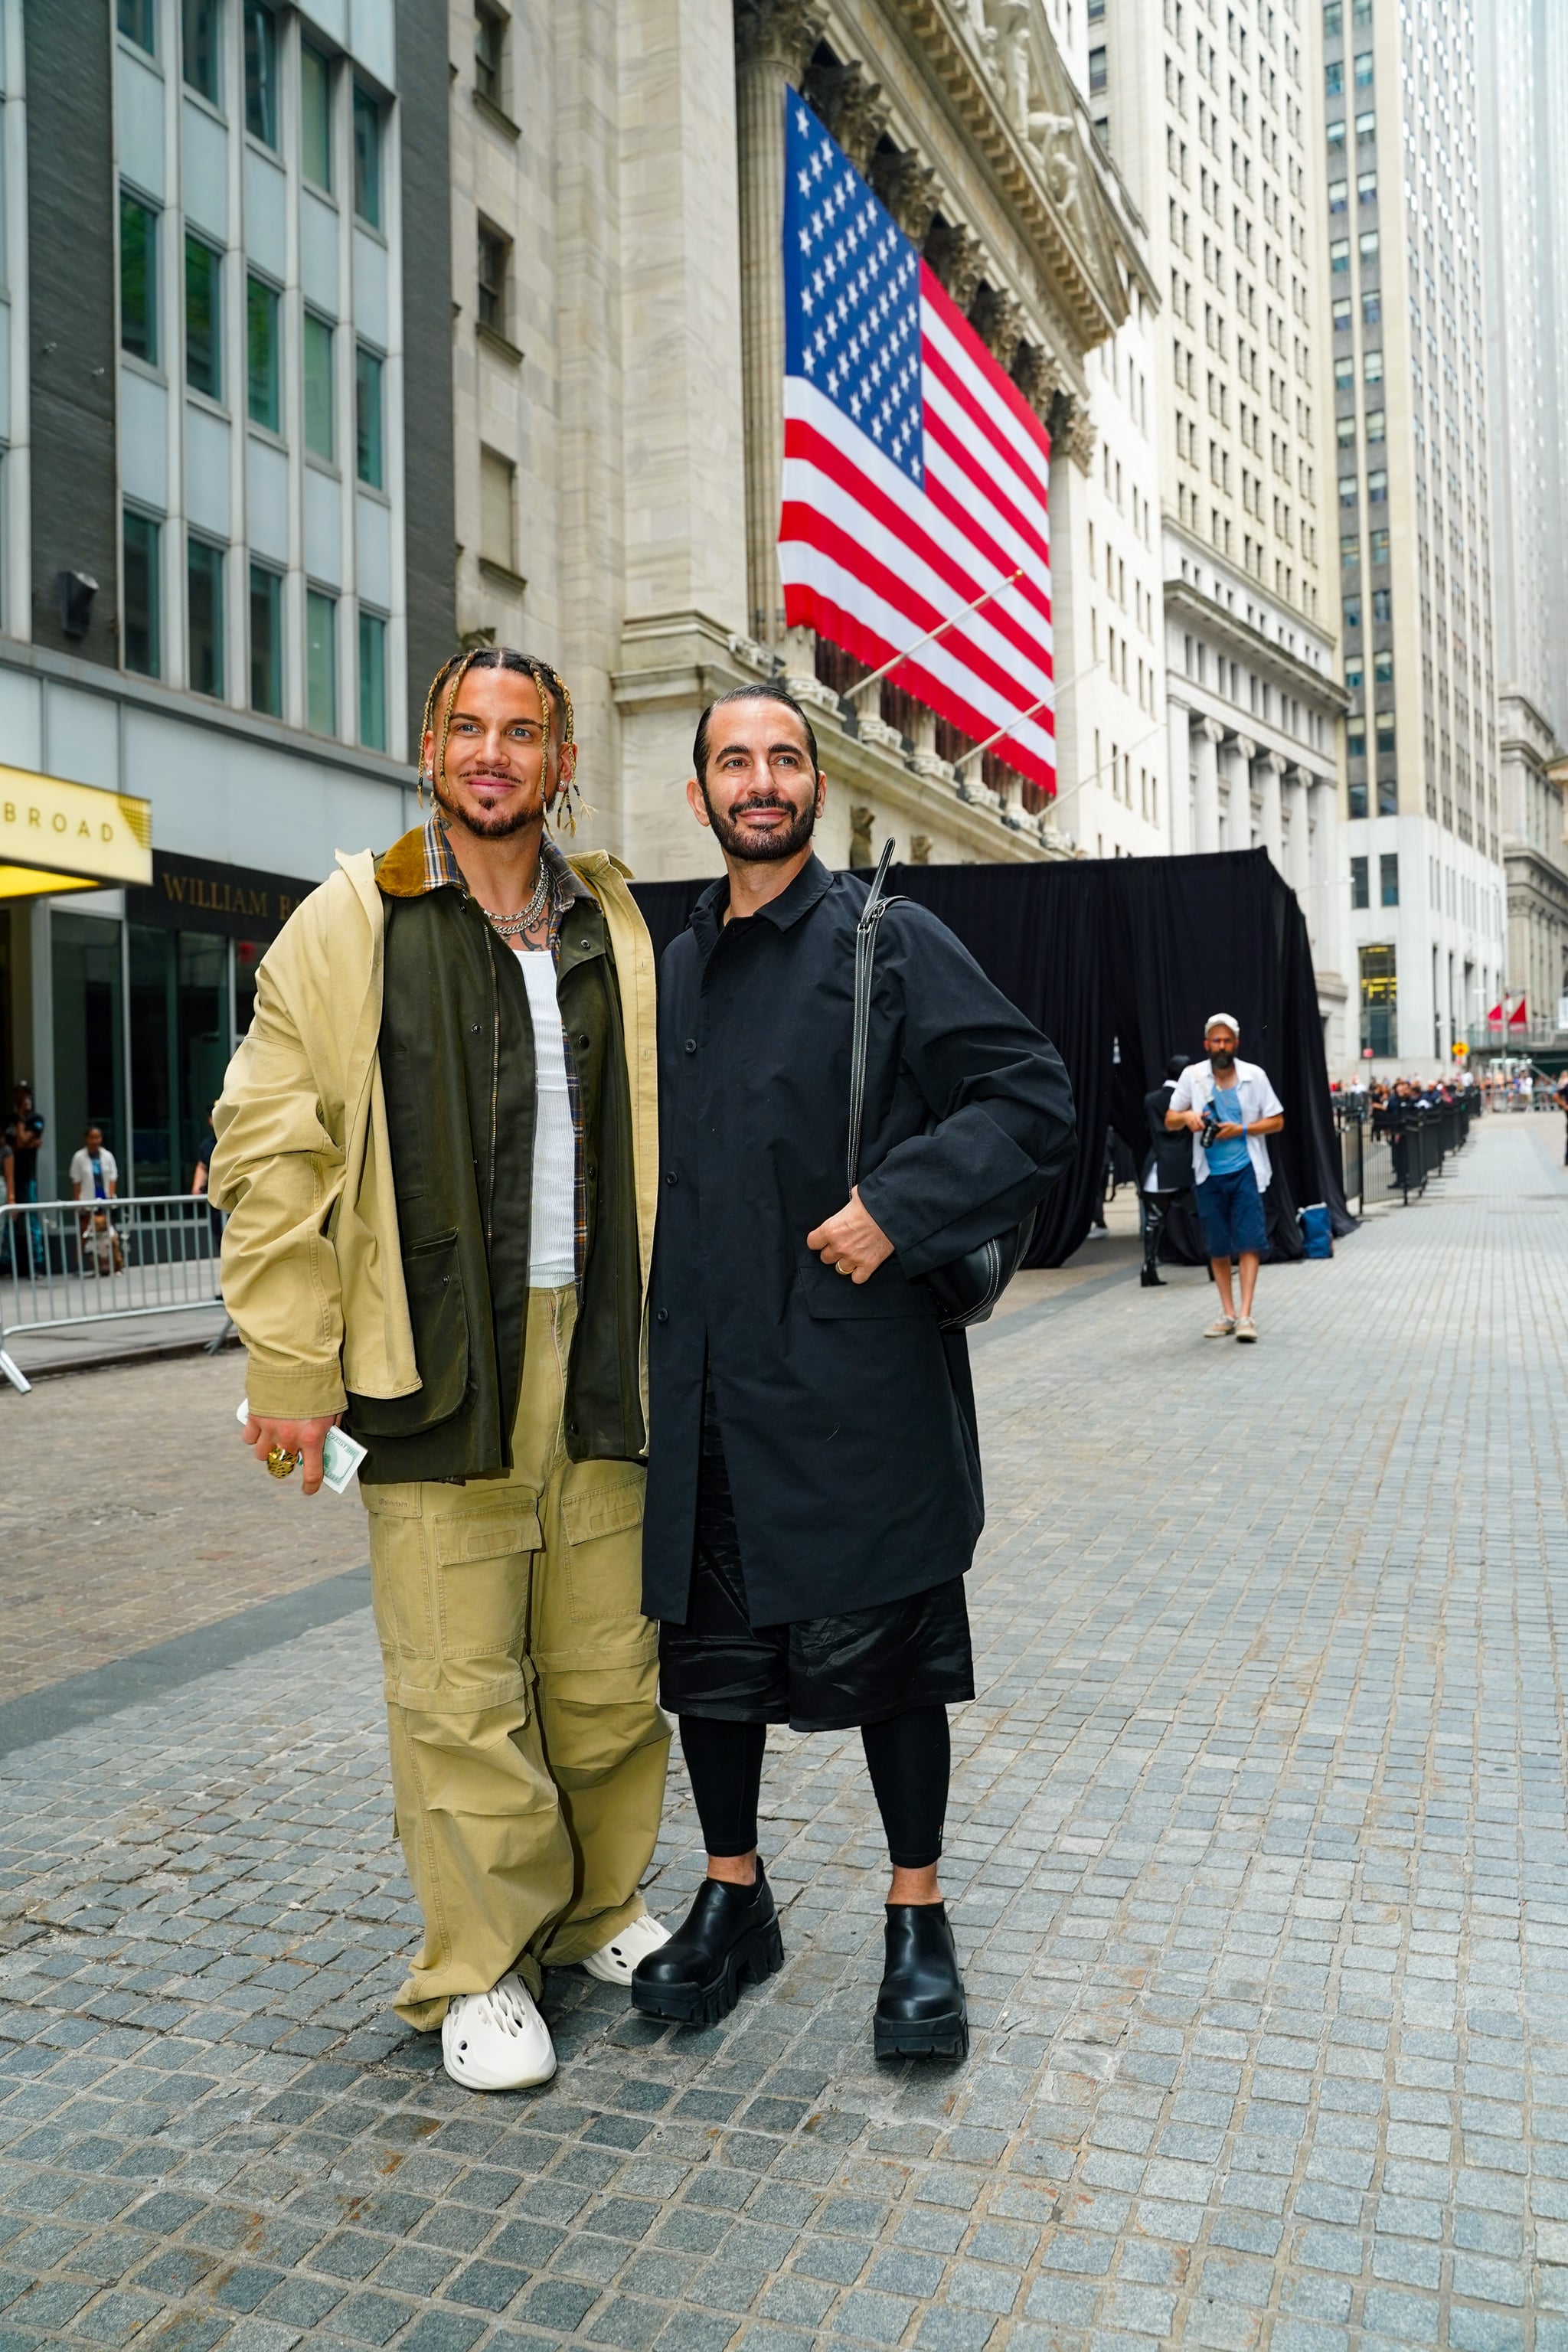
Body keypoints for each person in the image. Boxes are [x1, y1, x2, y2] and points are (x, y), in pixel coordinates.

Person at [211, 645, 672, 2092]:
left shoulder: (610, 923)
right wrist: (291, 1359)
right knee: (458, 1679)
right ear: (428, 750)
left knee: (604, 1665)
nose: (491, 754)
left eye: (520, 732)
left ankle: (598, 1905)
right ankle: (478, 1962)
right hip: (427, 1355)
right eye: (466, 729)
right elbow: (270, 1152)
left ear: (562, 759)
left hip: (597, 1345)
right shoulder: (352, 924)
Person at [630, 684, 1076, 2061]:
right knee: (709, 1668)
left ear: (812, 784)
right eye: (731, 762)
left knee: (893, 1665)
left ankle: (915, 1914)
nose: (758, 781)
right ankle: (732, 1894)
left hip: (852, 1386)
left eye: (781, 758)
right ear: (697, 793)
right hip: (704, 1381)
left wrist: (901, 1201)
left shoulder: (891, 939)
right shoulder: (673, 963)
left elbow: (1031, 1094)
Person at [1166, 1014, 1284, 1343]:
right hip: (1209, 1175)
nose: (1221, 1046)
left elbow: (1276, 1121)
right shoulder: (1193, 1077)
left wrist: (1242, 1129)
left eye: (1226, 1040)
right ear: (1206, 1045)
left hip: (1246, 1171)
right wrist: (1188, 1116)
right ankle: (1228, 1313)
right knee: (1217, 1246)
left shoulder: (1254, 1076)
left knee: (1249, 1242)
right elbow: (1170, 1119)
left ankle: (1246, 1315)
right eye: (1215, 1041)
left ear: (1236, 1043)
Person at [1139, 1054, 1194, 1287]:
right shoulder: (1187, 1099)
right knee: (1204, 1213)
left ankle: (1147, 1267)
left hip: (1157, 1165)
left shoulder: (1151, 1099)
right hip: (1183, 1167)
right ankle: (1216, 1263)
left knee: (1154, 1219)